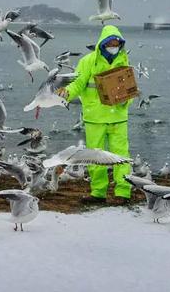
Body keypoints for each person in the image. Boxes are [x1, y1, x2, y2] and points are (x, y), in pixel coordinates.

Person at [57, 25, 133, 205]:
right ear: (103, 43)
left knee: (121, 156)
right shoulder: (88, 61)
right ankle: (98, 192)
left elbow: (130, 91)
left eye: (117, 43)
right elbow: (78, 83)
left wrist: (124, 100)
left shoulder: (123, 61)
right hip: (95, 118)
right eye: (111, 43)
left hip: (118, 117)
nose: (114, 46)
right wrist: (66, 93)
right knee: (95, 156)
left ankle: (123, 192)